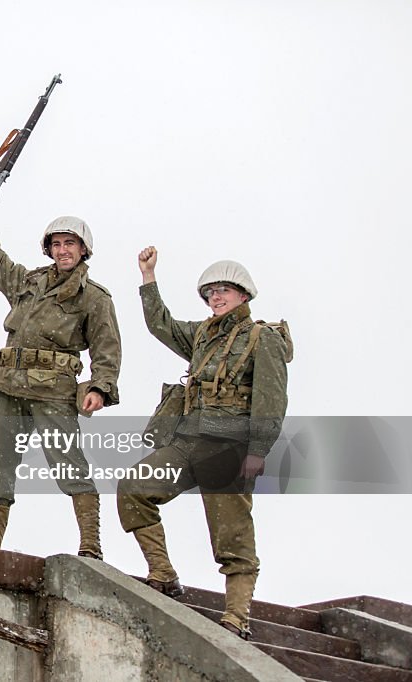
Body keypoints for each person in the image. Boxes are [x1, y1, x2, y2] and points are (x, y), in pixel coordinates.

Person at [117, 247, 290, 639]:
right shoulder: (201, 336)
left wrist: (258, 451)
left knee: (232, 537)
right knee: (134, 488)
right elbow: (161, 325)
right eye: (210, 291)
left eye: (224, 290)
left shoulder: (264, 338)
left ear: (243, 295)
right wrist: (148, 277)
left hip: (229, 446)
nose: (216, 296)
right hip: (186, 441)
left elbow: (271, 399)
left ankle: (236, 616)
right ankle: (163, 574)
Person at [0, 200, 122, 557]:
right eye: (57, 244)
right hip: (10, 385)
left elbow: (107, 347)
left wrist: (100, 387)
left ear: (83, 250)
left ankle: (91, 545)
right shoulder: (30, 282)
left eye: (70, 243)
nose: (63, 250)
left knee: (69, 464)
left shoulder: (94, 297)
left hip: (53, 391)